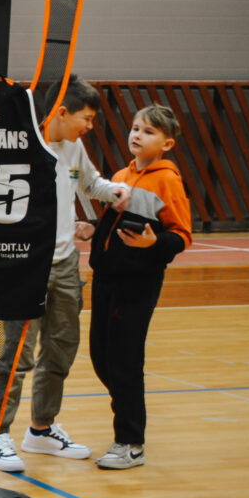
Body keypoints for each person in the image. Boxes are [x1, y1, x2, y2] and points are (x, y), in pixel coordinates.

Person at [0, 77, 127, 472]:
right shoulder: (20, 145)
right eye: (87, 118)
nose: (90, 126)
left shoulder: (74, 147)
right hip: (25, 264)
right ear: (62, 112)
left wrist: (117, 191)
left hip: (65, 265)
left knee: (60, 347)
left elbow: (90, 184)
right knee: (16, 354)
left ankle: (41, 428)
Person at [89, 104, 192, 471]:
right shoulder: (121, 175)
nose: (138, 135)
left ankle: (131, 442)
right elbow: (113, 225)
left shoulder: (167, 180)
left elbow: (181, 235)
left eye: (149, 131)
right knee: (101, 358)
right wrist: (92, 230)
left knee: (124, 361)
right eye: (135, 128)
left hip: (136, 283)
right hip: (105, 280)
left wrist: (153, 244)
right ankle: (127, 416)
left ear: (167, 144)